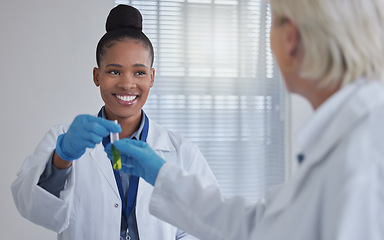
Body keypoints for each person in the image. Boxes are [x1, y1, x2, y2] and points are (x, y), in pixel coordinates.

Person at [105, 0, 384, 239]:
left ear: (291, 39)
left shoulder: (362, 149)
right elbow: (259, 226)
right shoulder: (350, 135)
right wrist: (162, 175)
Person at [11, 4, 217, 240]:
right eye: (114, 72)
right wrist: (62, 158)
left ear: (152, 77)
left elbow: (206, 226)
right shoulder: (64, 139)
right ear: (96, 76)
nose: (127, 84)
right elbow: (33, 209)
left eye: (139, 72)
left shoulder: (182, 152)